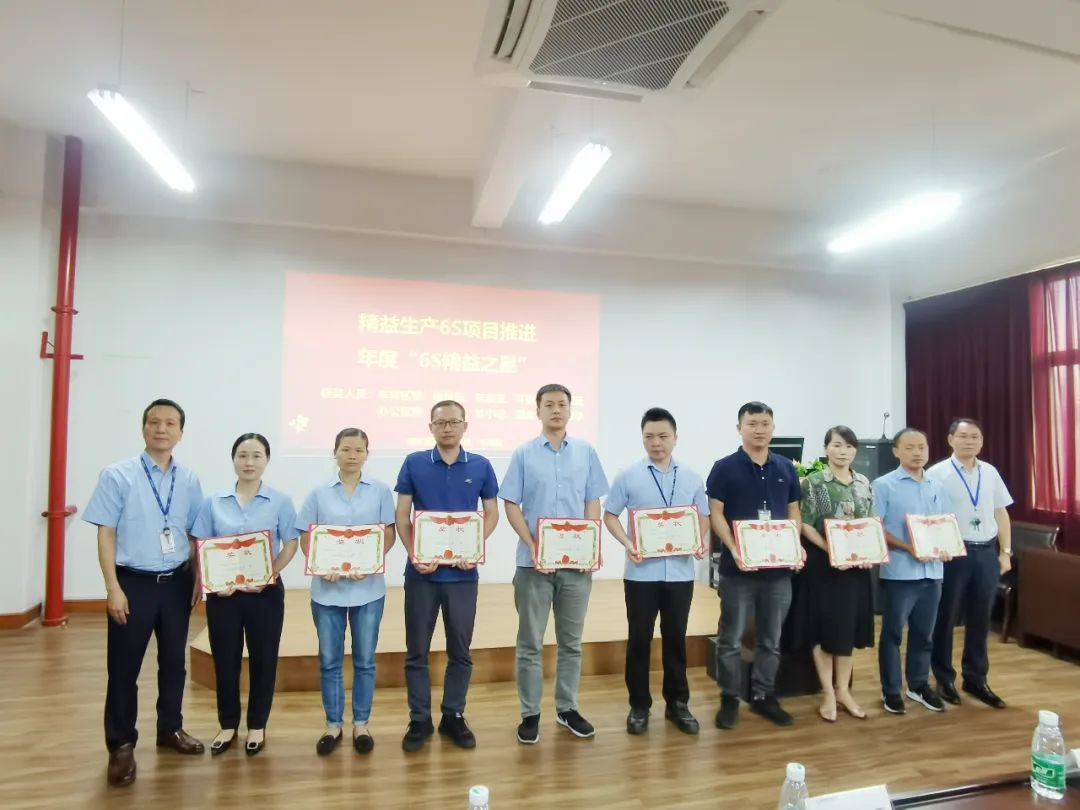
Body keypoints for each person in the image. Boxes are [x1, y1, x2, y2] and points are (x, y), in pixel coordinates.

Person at [83, 398, 206, 787]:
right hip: (132, 584)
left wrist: (198, 577)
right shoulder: (117, 475)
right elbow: (105, 533)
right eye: (154, 422)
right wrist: (112, 587)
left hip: (177, 583)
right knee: (124, 668)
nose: (161, 429)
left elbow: (193, 534)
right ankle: (121, 745)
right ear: (143, 429)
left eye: (170, 423)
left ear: (181, 433)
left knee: (173, 663)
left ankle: (170, 729)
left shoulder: (189, 480)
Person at [500, 383, 609, 744]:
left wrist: (590, 543)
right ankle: (530, 713)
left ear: (570, 410)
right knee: (530, 643)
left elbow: (592, 500)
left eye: (562, 404)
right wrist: (532, 546)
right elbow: (511, 503)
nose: (556, 410)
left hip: (576, 566)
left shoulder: (586, 452)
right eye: (549, 404)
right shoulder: (523, 454)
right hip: (533, 566)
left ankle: (567, 708)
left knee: (571, 643)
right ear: (538, 411)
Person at [394, 400, 500, 752]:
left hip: (462, 577)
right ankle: (419, 719)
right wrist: (414, 553)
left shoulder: (481, 465)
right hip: (421, 574)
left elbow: (491, 513)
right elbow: (402, 515)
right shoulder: (414, 462)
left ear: (465, 426)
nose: (448, 428)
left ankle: (453, 715)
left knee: (460, 651)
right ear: (431, 427)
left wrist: (475, 547)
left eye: (454, 422)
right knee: (416, 651)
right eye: (441, 423)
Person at [190, 433, 300, 757]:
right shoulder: (213, 502)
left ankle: (257, 725)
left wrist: (270, 573)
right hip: (223, 595)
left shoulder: (280, 501)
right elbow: (201, 545)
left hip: (265, 594)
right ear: (233, 459)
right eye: (242, 455)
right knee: (225, 659)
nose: (249, 462)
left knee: (264, 659)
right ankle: (227, 724)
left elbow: (291, 543)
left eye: (256, 455)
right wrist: (209, 579)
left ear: (267, 460)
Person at [603, 407, 709, 736]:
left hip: (680, 574)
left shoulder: (692, 477)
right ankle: (639, 705)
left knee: (676, 639)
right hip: (641, 574)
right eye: (649, 436)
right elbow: (610, 515)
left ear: (675, 438)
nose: (656, 442)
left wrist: (699, 540)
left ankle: (678, 704)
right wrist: (627, 543)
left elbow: (703, 515)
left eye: (663, 436)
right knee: (639, 639)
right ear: (642, 438)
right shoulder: (628, 475)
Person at [296, 427, 395, 756]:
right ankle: (333, 725)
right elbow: (306, 537)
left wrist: (371, 562)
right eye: (346, 449)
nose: (352, 455)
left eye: (359, 450)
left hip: (369, 589)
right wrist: (319, 565)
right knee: (330, 661)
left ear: (367, 454)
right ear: (335, 452)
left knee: (365, 660)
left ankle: (361, 724)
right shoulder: (318, 493)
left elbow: (389, 534)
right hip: (327, 591)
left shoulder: (381, 491)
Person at [707, 401, 803, 730]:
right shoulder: (724, 467)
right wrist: (734, 548)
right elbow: (716, 513)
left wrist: (794, 545)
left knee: (771, 639)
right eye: (752, 424)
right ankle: (730, 697)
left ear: (773, 428)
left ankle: (764, 695)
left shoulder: (786, 467)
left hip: (778, 572)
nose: (759, 430)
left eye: (765, 424)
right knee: (731, 638)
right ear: (739, 428)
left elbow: (794, 510)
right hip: (738, 571)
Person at [927, 418, 1013, 709]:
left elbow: (1001, 513)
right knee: (946, 616)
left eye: (975, 437)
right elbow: (929, 516)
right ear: (950, 439)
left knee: (981, 617)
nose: (969, 441)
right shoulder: (937, 473)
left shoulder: (990, 472)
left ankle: (976, 678)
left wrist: (1005, 552)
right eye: (963, 436)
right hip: (954, 552)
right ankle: (944, 678)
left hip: (986, 551)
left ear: (982, 441)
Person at [796, 426, 875, 722]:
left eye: (849, 446)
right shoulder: (814, 482)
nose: (843, 451)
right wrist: (830, 549)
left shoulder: (864, 483)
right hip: (824, 566)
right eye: (837, 445)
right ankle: (828, 692)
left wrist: (868, 552)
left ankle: (844, 690)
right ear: (826, 448)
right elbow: (805, 523)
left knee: (847, 630)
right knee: (824, 629)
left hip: (855, 568)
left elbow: (869, 523)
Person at [872, 427, 953, 716]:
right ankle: (891, 691)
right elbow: (876, 527)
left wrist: (946, 546)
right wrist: (908, 547)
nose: (917, 452)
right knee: (893, 634)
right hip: (900, 573)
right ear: (896, 451)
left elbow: (945, 524)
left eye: (922, 447)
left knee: (924, 634)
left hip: (933, 571)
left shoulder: (936, 486)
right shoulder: (883, 485)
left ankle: (918, 685)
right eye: (909, 447)